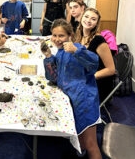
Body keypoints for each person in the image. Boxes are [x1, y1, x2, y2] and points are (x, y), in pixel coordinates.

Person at [41, 19, 102, 159]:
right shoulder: (61, 52)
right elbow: (54, 77)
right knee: (80, 137)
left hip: (84, 102)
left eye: (61, 35)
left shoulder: (76, 48)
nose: (57, 39)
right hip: (71, 100)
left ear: (70, 35)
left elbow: (94, 63)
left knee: (91, 143)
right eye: (54, 35)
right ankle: (81, 153)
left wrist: (76, 51)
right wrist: (49, 56)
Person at [75, 8, 116, 102]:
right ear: (81, 17)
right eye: (86, 16)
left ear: (97, 23)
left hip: (97, 82)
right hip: (85, 75)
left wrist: (90, 77)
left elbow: (111, 70)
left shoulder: (99, 41)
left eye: (93, 19)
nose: (88, 20)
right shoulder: (80, 36)